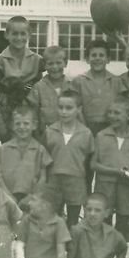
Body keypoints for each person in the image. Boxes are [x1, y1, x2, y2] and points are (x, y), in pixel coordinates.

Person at [72, 39, 125, 192]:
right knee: (85, 173)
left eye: (101, 55)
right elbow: (76, 108)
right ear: (87, 59)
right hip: (85, 130)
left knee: (105, 173)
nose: (97, 58)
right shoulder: (79, 81)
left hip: (109, 131)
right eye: (93, 55)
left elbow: (121, 107)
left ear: (108, 59)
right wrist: (85, 130)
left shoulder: (116, 81)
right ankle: (86, 208)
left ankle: (104, 210)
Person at [0, 16, 44, 142]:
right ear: (6, 35)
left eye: (23, 34)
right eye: (15, 34)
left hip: (30, 113)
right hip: (8, 114)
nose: (19, 38)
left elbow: (41, 89)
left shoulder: (37, 60)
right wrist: (0, 123)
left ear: (29, 35)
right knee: (10, 151)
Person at [91, 97, 129, 237]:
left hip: (126, 187)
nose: (112, 116)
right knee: (103, 224)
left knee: (123, 225)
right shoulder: (101, 136)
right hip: (104, 187)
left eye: (117, 113)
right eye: (110, 113)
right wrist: (115, 171)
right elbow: (93, 164)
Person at [43, 90, 95, 227]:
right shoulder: (50, 131)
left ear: (79, 109)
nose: (64, 112)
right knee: (52, 218)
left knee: (73, 220)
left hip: (76, 181)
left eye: (69, 108)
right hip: (54, 181)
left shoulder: (86, 133)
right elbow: (44, 160)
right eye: (60, 107)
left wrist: (86, 187)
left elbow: (89, 162)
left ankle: (72, 246)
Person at [0, 105, 52, 203]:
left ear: (34, 125)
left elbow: (43, 178)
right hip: (7, 198)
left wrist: (31, 197)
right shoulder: (3, 149)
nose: (22, 127)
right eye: (18, 123)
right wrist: (7, 196)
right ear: (12, 125)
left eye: (26, 123)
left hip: (32, 199)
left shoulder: (40, 150)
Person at [26, 46, 75, 138]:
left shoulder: (72, 85)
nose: (55, 67)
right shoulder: (38, 88)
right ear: (45, 65)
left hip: (69, 134)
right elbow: (33, 114)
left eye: (58, 63)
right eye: (50, 63)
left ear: (65, 63)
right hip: (45, 135)